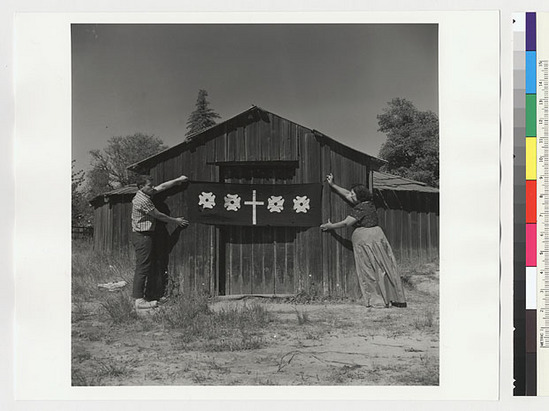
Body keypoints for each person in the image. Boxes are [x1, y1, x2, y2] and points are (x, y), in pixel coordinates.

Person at [320, 173, 407, 308]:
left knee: (369, 270)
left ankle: (376, 300)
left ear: (360, 196)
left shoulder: (361, 207)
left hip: (367, 239)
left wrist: (330, 226)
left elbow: (346, 223)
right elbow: (347, 194)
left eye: (354, 194)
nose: (351, 195)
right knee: (384, 267)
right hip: (377, 237)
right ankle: (394, 297)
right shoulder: (369, 204)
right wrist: (333, 185)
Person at [131, 174, 190, 309]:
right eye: (149, 186)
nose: (152, 188)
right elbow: (158, 215)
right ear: (141, 187)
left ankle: (146, 296)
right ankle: (139, 300)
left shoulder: (146, 194)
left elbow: (162, 187)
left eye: (152, 185)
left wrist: (178, 180)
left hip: (146, 235)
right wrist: (176, 221)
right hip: (142, 236)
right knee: (143, 266)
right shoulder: (142, 200)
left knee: (146, 265)